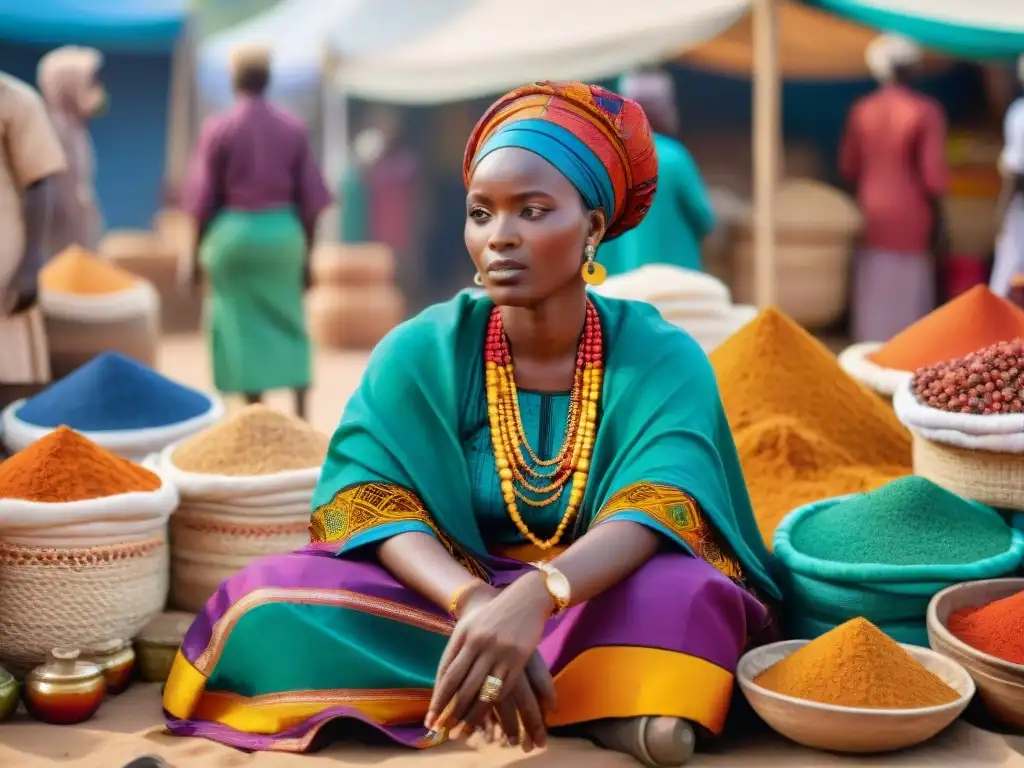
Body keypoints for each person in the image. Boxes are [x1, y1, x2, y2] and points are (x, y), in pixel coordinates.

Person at [163, 82, 779, 768]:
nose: (499, 237)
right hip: (449, 601)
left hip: (593, 595)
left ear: (595, 228)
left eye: (533, 210)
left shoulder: (662, 355)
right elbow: (373, 495)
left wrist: (540, 595)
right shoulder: (422, 348)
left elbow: (659, 500)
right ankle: (602, 702)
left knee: (689, 596)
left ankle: (511, 687)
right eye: (480, 214)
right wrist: (480, 604)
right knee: (264, 604)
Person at [183, 46, 331, 420]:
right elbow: (312, 202)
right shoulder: (293, 129)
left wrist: (193, 257)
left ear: (234, 80)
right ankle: (302, 413)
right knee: (291, 319)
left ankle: (255, 416)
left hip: (234, 238)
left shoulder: (218, 129)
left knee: (240, 325)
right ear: (268, 80)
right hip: (283, 236)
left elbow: (201, 203)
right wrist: (306, 257)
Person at [840, 34, 949, 342]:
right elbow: (933, 177)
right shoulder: (925, 111)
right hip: (913, 217)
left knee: (872, 297)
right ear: (913, 69)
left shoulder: (862, 110)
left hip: (871, 210)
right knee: (909, 302)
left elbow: (849, 167)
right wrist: (941, 221)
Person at [598, 70, 715, 276]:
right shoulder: (673, 157)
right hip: (675, 284)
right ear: (664, 110)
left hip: (622, 284)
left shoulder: (609, 159)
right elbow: (704, 219)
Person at [0, 71, 66, 393]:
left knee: (9, 365)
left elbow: (39, 179)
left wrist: (31, 262)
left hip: (4, 257)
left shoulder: (13, 98)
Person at [36, 46, 106, 257]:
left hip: (76, 237)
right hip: (55, 240)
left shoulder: (75, 130)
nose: (96, 89)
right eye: (89, 82)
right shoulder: (51, 130)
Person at [992, 54, 1024, 297]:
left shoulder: (1019, 114)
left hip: (1020, 214)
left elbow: (1015, 174)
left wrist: (1000, 213)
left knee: (1008, 282)